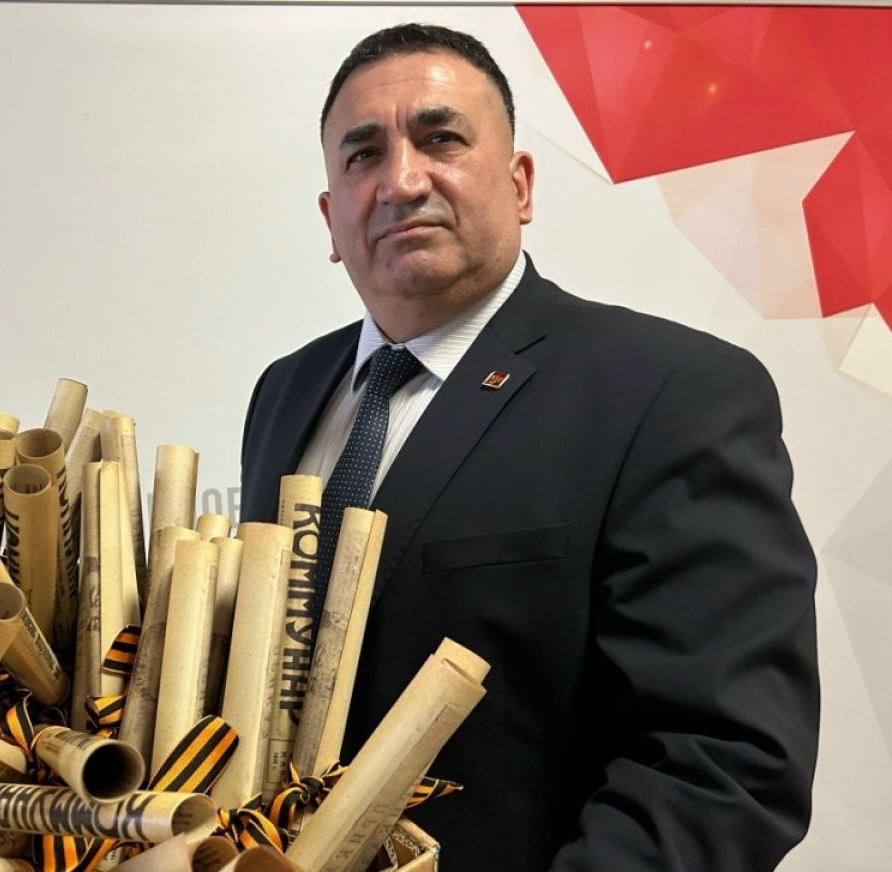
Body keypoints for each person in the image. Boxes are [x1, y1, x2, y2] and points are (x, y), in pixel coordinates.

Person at [239, 23, 819, 871]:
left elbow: (721, 765)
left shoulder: (671, 392)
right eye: (363, 156)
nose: (402, 181)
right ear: (332, 219)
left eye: (441, 139)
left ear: (519, 185)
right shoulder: (285, 392)